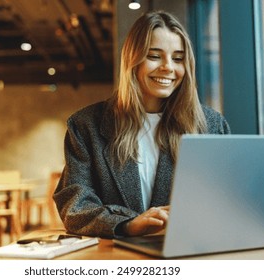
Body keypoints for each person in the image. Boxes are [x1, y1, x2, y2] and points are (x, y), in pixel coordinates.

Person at [53, 11, 231, 238]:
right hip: (115, 258)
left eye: (177, 59)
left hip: (190, 253)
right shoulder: (85, 126)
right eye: (154, 56)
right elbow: (75, 206)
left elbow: (225, 201)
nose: (168, 67)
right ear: (132, 61)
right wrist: (127, 224)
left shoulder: (212, 126)